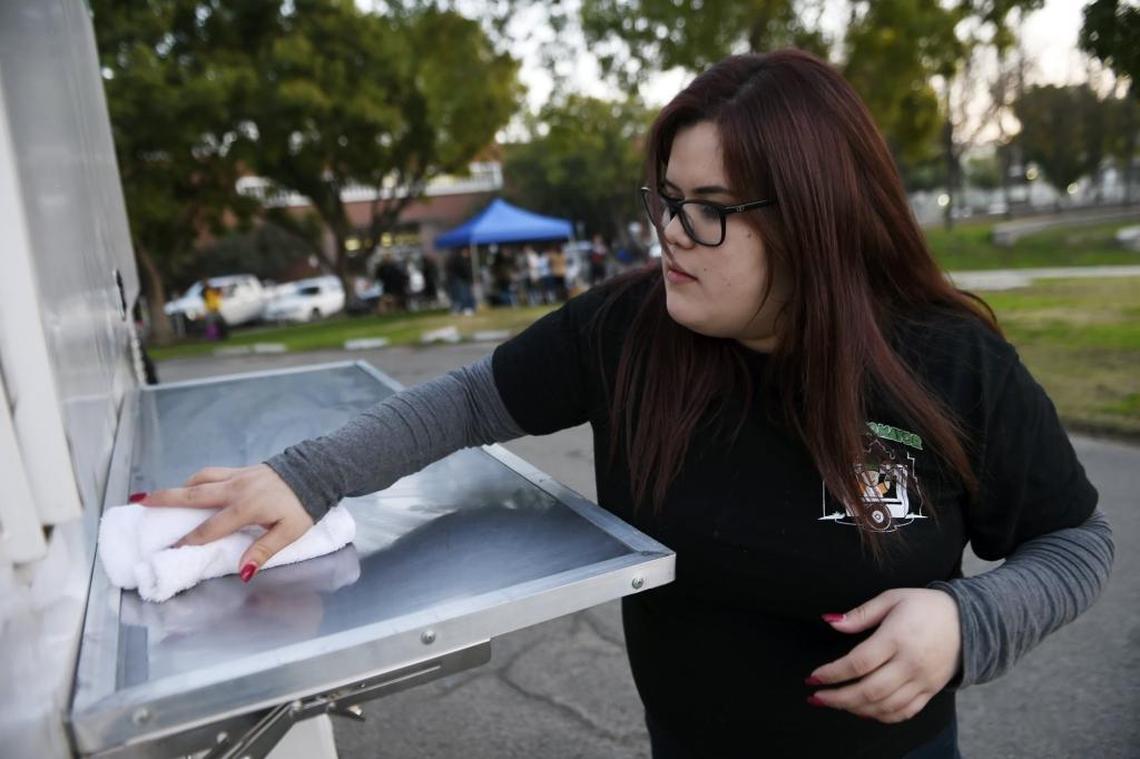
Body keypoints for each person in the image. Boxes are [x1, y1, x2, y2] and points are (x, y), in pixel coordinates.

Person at [133, 50, 1114, 758]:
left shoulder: (948, 361)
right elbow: (471, 401)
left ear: (819, 220)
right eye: (664, 196)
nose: (670, 236)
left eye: (708, 209)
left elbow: (1075, 545)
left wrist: (966, 622)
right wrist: (309, 477)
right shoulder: (633, 328)